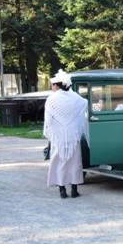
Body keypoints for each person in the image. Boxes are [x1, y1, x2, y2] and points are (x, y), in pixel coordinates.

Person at [43, 69, 88, 199]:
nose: (52, 87)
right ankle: (74, 190)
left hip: (58, 136)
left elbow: (49, 120)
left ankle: (62, 190)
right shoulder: (76, 98)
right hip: (73, 135)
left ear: (57, 85)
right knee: (74, 162)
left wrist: (51, 132)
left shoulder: (52, 99)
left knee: (59, 161)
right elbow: (84, 104)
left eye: (53, 85)